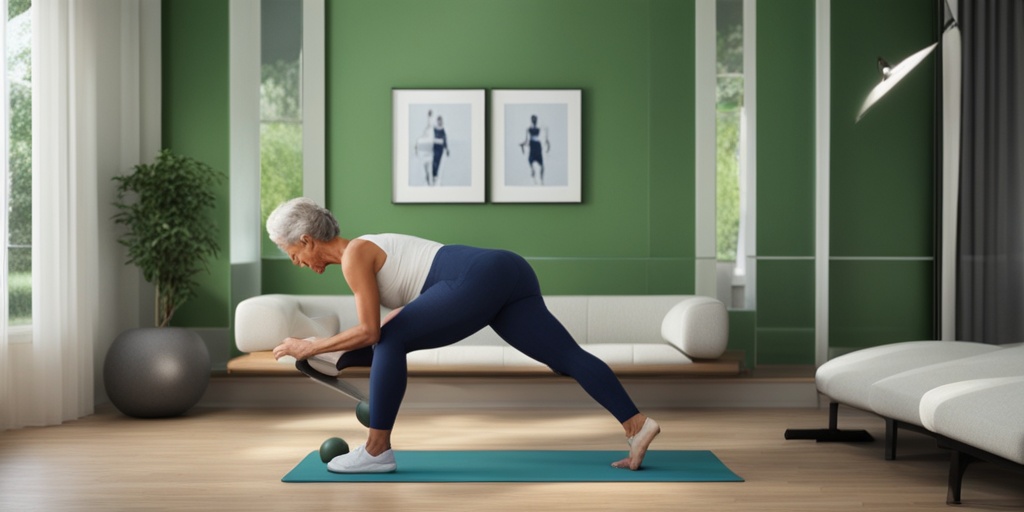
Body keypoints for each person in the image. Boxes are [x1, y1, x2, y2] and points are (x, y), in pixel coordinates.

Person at [267, 198, 661, 474]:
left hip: (475, 276)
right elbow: (402, 320)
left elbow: (373, 331)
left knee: (391, 339)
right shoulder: (370, 248)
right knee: (566, 356)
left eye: (293, 254)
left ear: (307, 240)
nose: (298, 263)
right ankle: (637, 425)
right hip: (505, 270)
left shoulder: (354, 255)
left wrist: (312, 345)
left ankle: (376, 451)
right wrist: (339, 356)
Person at [414, 109, 449, 186]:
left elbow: (444, 138)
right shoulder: (433, 127)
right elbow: (429, 126)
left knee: (436, 163)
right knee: (431, 164)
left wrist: (446, 148)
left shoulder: (442, 129)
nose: (439, 122)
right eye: (438, 121)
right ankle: (430, 178)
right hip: (432, 148)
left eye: (441, 121)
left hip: (439, 148)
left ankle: (434, 177)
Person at [518, 114, 549, 185]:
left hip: (537, 145)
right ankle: (533, 171)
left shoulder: (538, 129)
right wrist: (522, 145)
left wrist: (547, 141)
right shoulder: (529, 129)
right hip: (533, 145)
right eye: (533, 119)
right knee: (531, 160)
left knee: (541, 164)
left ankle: (541, 179)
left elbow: (546, 129)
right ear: (532, 120)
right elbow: (526, 140)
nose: (534, 121)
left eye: (535, 119)